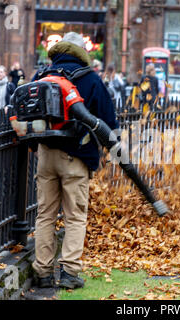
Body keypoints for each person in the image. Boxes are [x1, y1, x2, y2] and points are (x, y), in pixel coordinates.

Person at [30, 32, 119, 289]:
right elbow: (108, 122)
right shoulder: (90, 79)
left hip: (46, 155)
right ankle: (69, 273)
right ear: (82, 51)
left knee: (45, 215)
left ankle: (43, 272)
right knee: (75, 217)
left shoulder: (42, 76)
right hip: (76, 157)